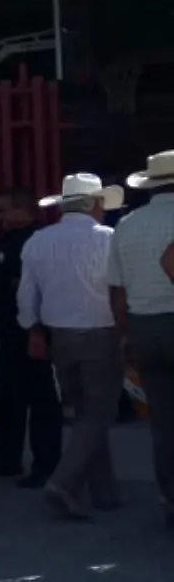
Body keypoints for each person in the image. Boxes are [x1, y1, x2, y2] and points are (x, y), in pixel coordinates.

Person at [18, 174, 124, 518]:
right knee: (100, 413)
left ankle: (104, 492)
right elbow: (121, 289)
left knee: (84, 414)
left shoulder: (38, 240)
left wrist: (33, 330)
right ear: (94, 204)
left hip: (58, 334)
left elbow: (26, 294)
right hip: (101, 331)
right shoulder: (109, 238)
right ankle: (64, 483)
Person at [0, 186, 61, 486]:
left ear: (24, 210)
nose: (0, 216)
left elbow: (38, 288)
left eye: (4, 210)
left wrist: (35, 328)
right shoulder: (4, 241)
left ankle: (46, 466)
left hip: (36, 328)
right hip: (10, 330)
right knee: (7, 396)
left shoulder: (40, 241)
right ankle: (5, 460)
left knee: (41, 399)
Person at [108, 150, 174, 530]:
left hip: (143, 326)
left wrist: (124, 336)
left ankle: (171, 499)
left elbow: (117, 291)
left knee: (163, 422)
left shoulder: (128, 224)